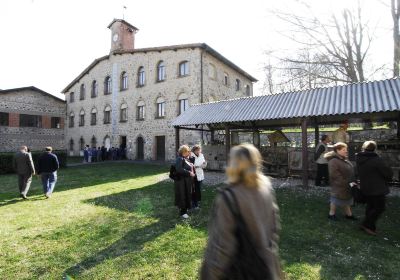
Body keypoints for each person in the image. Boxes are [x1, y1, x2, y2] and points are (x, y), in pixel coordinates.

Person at [201, 144, 282, 280]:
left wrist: (211, 274)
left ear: (233, 164)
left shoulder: (228, 197)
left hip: (240, 271)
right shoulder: (266, 189)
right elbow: (274, 228)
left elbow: (223, 246)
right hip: (266, 267)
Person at [356, 141, 393, 235]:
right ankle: (366, 224)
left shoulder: (360, 158)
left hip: (366, 187)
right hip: (377, 188)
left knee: (371, 206)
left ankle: (371, 227)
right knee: (379, 208)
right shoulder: (377, 160)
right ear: (374, 149)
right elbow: (387, 173)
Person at [325, 142, 357, 221]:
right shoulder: (333, 161)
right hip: (339, 185)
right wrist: (346, 182)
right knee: (335, 199)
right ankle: (331, 214)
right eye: (343, 150)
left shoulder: (344, 159)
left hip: (347, 184)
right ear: (337, 151)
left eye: (346, 149)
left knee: (346, 199)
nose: (346, 151)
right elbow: (335, 175)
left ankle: (349, 214)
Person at [174, 145, 196, 219]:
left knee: (187, 194)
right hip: (181, 182)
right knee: (182, 195)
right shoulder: (179, 159)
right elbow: (179, 169)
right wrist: (189, 173)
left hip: (186, 181)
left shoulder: (185, 158)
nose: (189, 152)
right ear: (184, 151)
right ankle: (182, 212)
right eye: (188, 151)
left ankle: (185, 209)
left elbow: (187, 167)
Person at [191, 145, 207, 209]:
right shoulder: (191, 156)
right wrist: (197, 166)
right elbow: (190, 165)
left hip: (200, 174)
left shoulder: (201, 155)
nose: (198, 151)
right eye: (197, 150)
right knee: (194, 190)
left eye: (199, 150)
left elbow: (204, 164)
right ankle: (193, 203)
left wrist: (204, 164)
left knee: (199, 190)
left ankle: (197, 202)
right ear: (194, 150)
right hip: (194, 175)